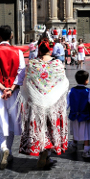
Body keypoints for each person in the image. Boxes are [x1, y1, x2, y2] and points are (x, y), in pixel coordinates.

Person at [19, 40, 69, 169]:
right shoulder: (58, 64)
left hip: (37, 103)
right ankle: (47, 154)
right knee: (50, 128)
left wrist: (35, 97)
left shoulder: (33, 64)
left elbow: (27, 82)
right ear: (50, 50)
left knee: (40, 128)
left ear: (39, 50)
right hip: (53, 103)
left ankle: (43, 153)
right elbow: (63, 83)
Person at [0, 25, 26, 170]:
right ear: (11, 36)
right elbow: (21, 72)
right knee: (12, 121)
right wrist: (11, 88)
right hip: (13, 92)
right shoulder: (18, 51)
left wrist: (2, 87)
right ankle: (8, 151)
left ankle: (3, 148)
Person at [68, 70, 90, 158]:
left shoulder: (71, 91)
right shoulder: (88, 91)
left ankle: (74, 144)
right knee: (86, 134)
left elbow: (67, 103)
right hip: (85, 115)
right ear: (86, 80)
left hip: (74, 115)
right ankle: (86, 151)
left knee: (75, 130)